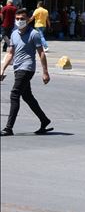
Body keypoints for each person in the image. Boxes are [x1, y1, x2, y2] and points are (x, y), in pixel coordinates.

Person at [0, 8, 53, 136]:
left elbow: (41, 53)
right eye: (17, 19)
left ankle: (8, 128)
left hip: (27, 67)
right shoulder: (14, 34)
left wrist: (45, 72)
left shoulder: (34, 34)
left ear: (28, 19)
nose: (19, 21)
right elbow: (10, 53)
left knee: (14, 94)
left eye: (22, 19)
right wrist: (2, 69)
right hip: (18, 68)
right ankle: (44, 120)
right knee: (27, 96)